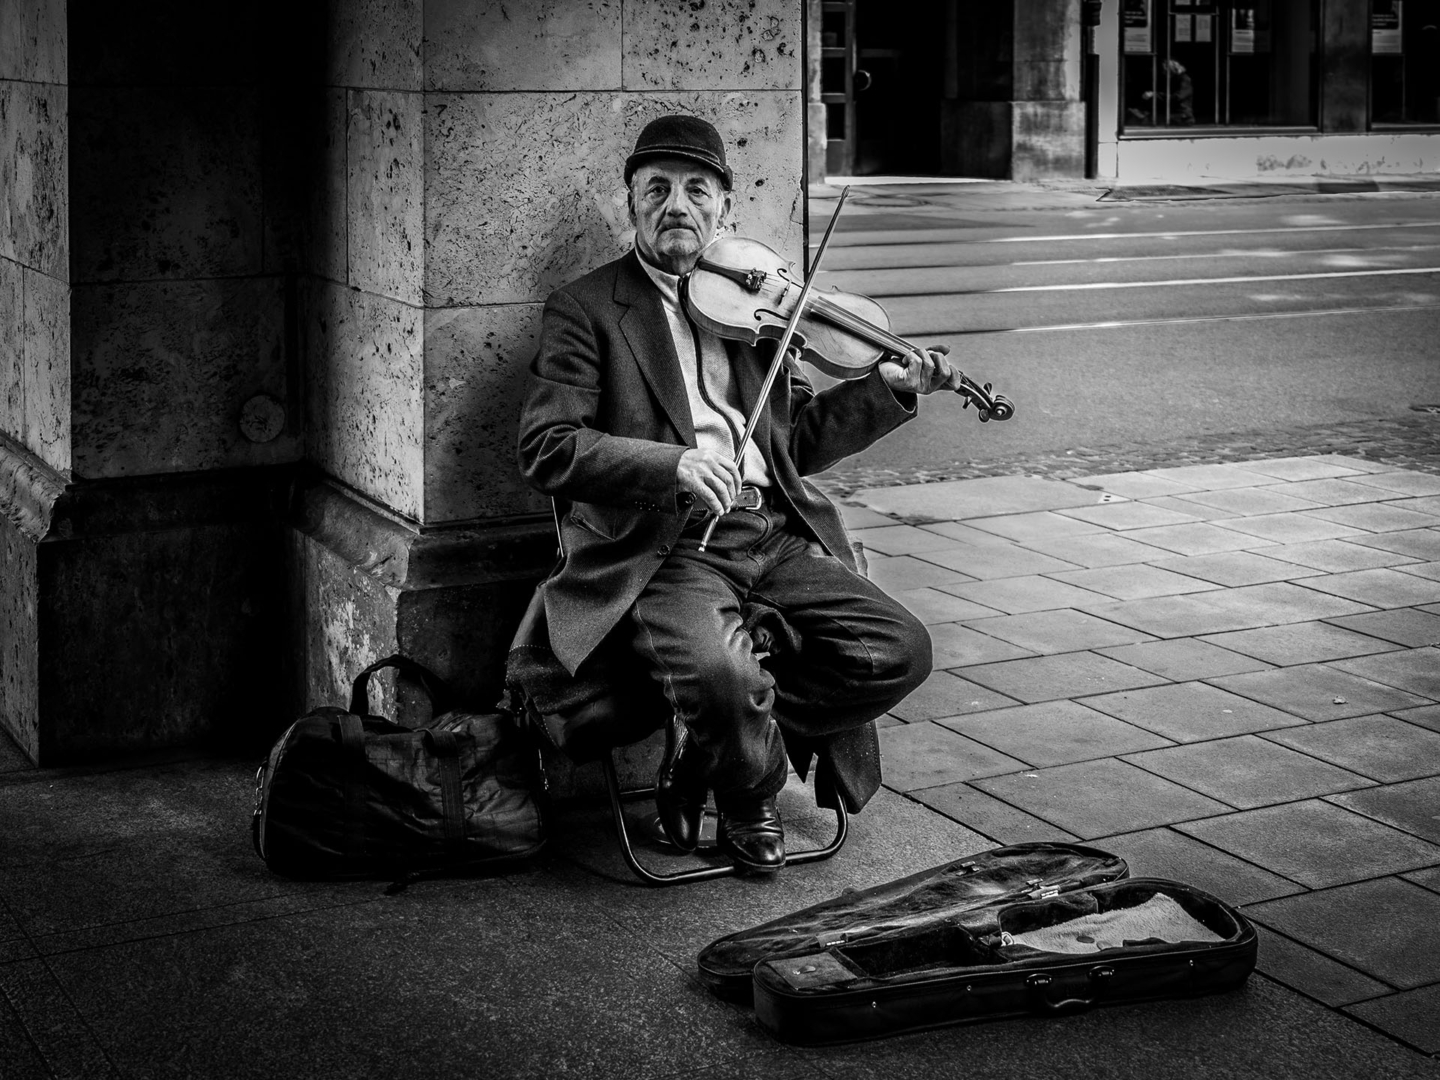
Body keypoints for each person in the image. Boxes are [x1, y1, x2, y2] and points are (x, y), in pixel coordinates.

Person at [516, 115, 957, 874]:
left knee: (899, 650)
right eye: (657, 189)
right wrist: (670, 465)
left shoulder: (755, 310)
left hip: (772, 533)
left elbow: (798, 446)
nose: (676, 205)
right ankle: (750, 793)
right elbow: (547, 446)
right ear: (631, 204)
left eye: (697, 189)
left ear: (725, 208)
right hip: (667, 546)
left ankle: (709, 757)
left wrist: (885, 391)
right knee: (722, 678)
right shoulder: (587, 308)